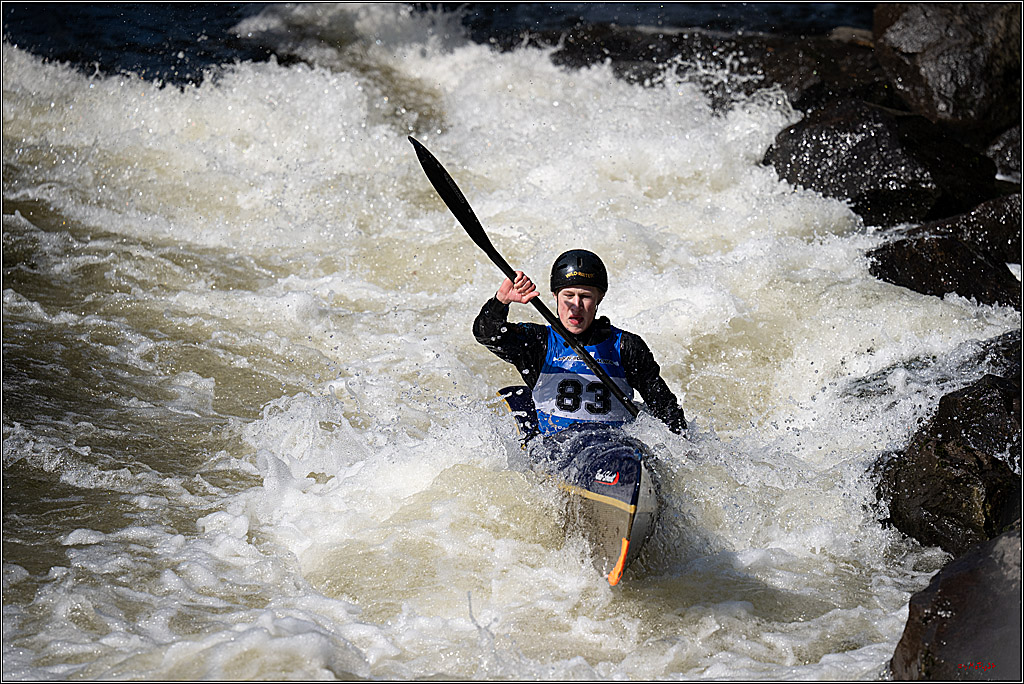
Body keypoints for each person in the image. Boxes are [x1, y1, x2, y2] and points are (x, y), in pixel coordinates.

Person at [473, 249, 687, 437]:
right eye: (568, 295)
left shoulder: (625, 347)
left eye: (585, 296)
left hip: (616, 447)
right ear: (555, 296)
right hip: (558, 448)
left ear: (599, 298)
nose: (576, 305)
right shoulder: (538, 342)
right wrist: (501, 301)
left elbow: (665, 408)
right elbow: (487, 334)